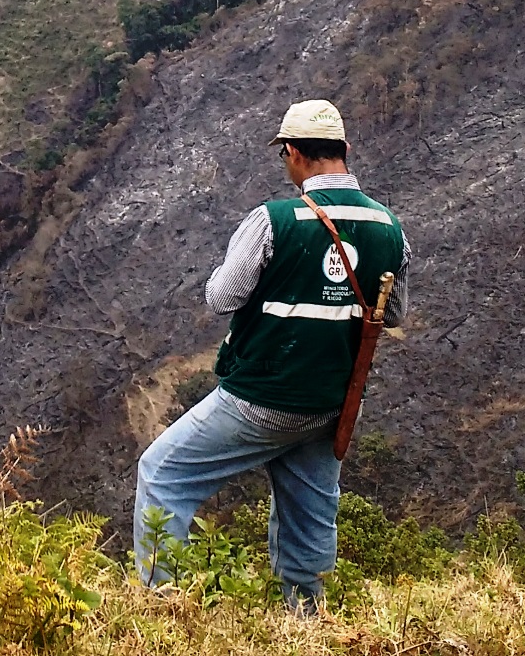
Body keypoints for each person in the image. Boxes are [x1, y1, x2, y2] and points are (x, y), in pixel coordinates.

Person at [132, 98, 409, 611]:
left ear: (294, 153)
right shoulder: (389, 228)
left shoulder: (273, 220)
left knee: (162, 474)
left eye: (284, 154)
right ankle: (305, 624)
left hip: (260, 396)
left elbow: (221, 297)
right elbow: (391, 315)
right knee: (309, 522)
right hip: (330, 405)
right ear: (345, 150)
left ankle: (161, 611)